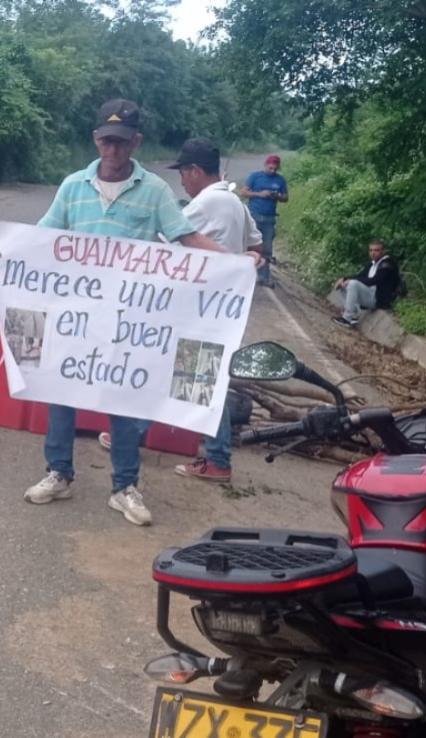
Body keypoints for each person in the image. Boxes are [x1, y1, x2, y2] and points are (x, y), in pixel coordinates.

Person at [22, 99, 259, 526]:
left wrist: (234, 262)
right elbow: (45, 235)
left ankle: (124, 486)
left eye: (121, 143)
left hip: (127, 321)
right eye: (105, 142)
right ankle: (59, 472)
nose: (112, 151)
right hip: (77, 314)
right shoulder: (73, 185)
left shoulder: (154, 191)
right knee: (61, 392)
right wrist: (12, 252)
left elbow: (185, 237)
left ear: (136, 142)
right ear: (95, 139)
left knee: (124, 399)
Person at [165, 137, 263, 482]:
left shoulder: (207, 203)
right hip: (221, 308)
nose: (181, 181)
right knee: (198, 376)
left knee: (202, 378)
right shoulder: (235, 202)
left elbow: (165, 235)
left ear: (195, 171)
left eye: (183, 173)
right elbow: (257, 242)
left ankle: (218, 459)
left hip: (202, 307)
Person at [239, 154, 288, 286]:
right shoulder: (255, 176)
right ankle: (243, 274)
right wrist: (259, 194)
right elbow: (243, 192)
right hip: (254, 215)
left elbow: (286, 198)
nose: (272, 171)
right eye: (270, 168)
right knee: (250, 246)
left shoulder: (280, 180)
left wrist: (277, 196)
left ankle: (263, 276)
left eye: (275, 169)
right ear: (266, 165)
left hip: (269, 217)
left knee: (267, 248)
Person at [332, 239, 401, 327]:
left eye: (376, 250)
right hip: (370, 294)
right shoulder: (372, 264)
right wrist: (344, 279)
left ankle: (346, 319)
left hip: (378, 299)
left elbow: (373, 281)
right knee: (344, 284)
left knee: (353, 284)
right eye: (371, 250)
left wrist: (351, 281)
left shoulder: (387, 265)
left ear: (383, 251)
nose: (373, 253)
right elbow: (360, 276)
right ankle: (353, 316)